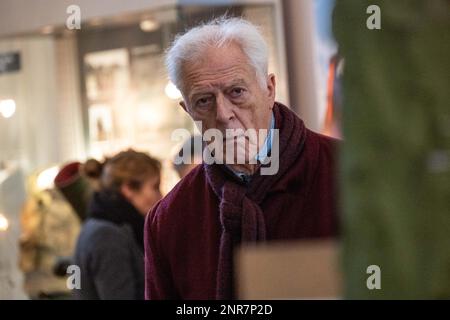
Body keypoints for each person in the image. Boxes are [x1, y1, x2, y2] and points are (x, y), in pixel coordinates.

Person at [144, 17, 338, 300]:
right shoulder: (170, 219)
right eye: (204, 100)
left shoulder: (348, 176)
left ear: (269, 89)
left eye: (236, 92)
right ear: (188, 110)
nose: (223, 114)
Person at [74, 150, 162, 299]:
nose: (161, 195)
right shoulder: (108, 236)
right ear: (128, 189)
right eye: (155, 187)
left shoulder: (103, 225)